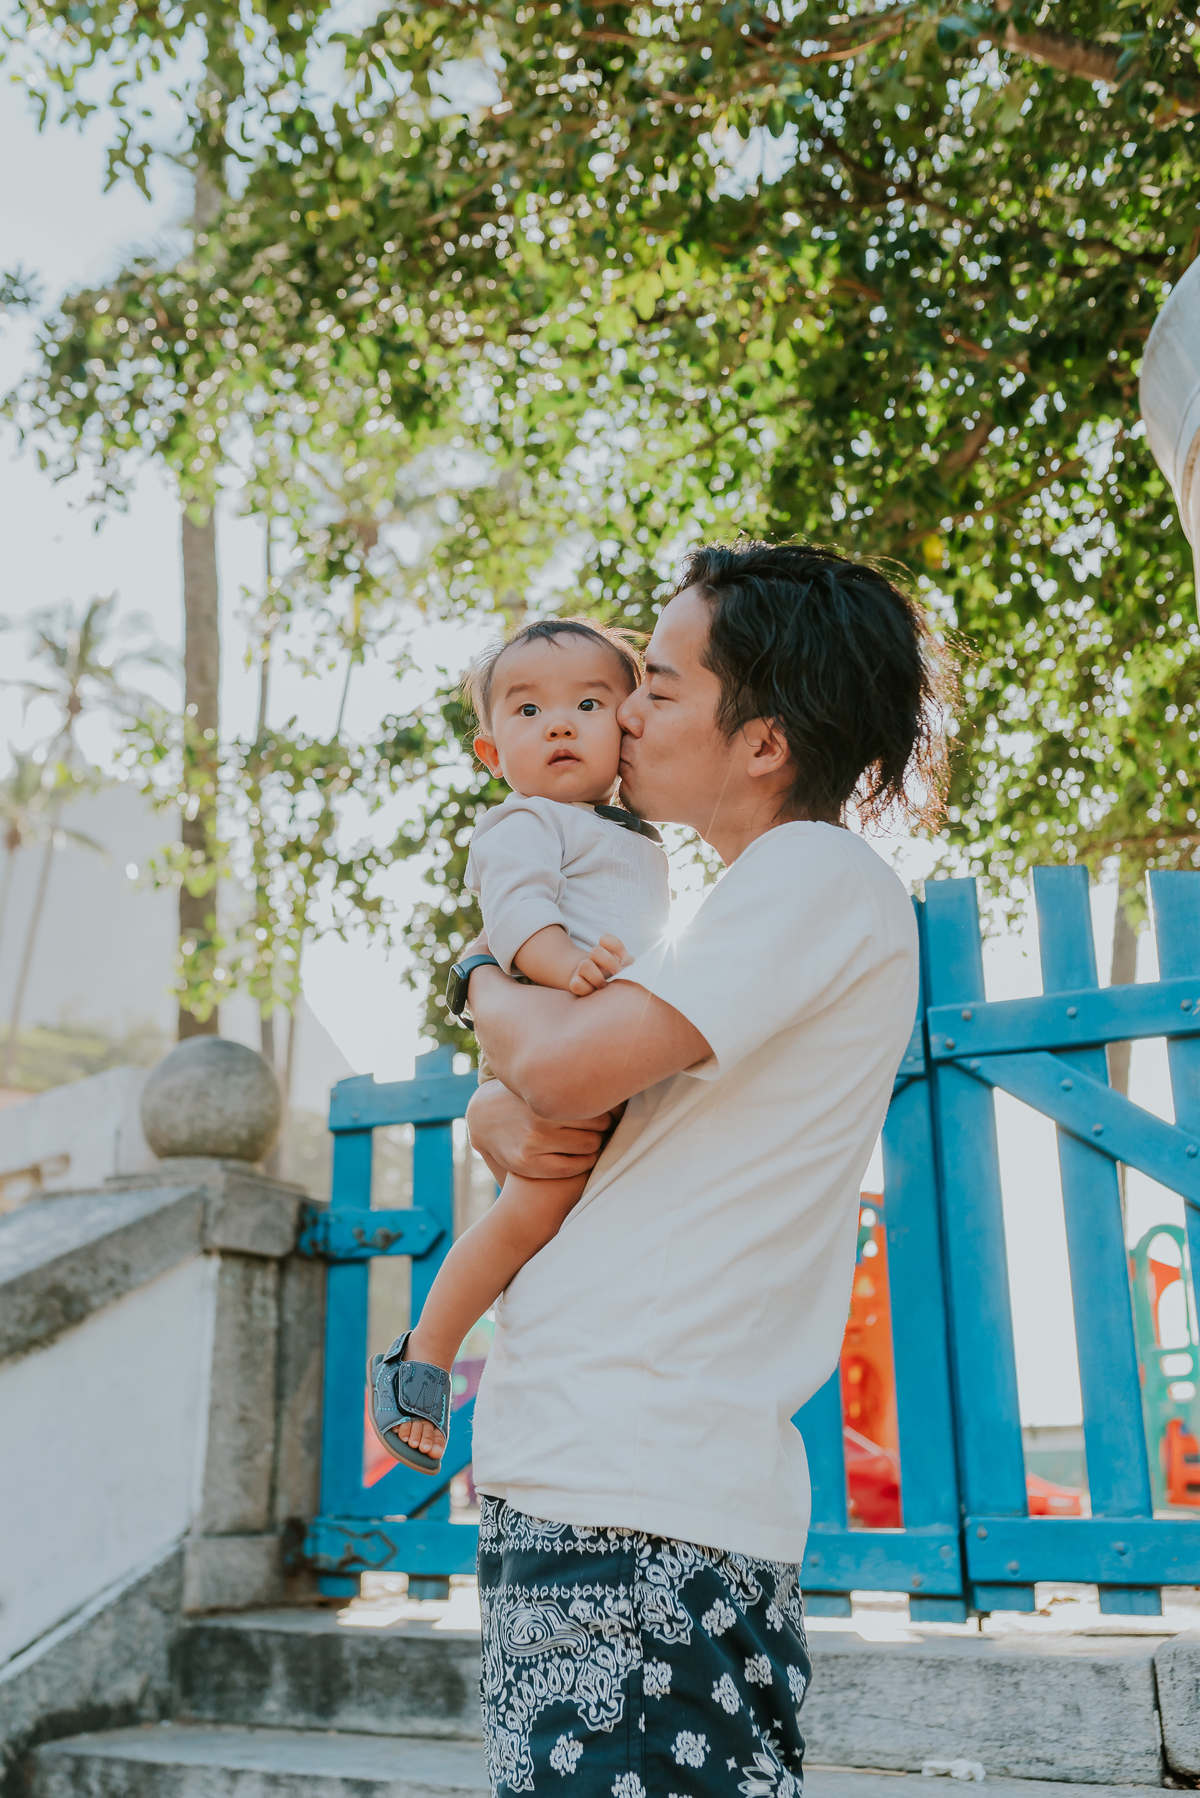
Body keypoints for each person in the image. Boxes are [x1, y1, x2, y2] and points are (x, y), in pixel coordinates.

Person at [458, 542, 952, 1797]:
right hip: (596, 1487)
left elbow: (564, 1070)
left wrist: (478, 979)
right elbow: (570, 1115)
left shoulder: (812, 875)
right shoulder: (737, 913)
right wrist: (497, 1106)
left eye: (660, 686)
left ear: (766, 741)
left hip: (637, 1504)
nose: (622, 711)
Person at [368, 618, 670, 1475]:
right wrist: (562, 964)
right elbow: (514, 917)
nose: (561, 724)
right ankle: (420, 1356)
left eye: (589, 702)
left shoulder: (631, 836)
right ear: (491, 751)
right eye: (529, 709)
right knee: (532, 1209)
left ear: (631, 724)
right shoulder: (525, 822)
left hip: (610, 1046)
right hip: (556, 1023)